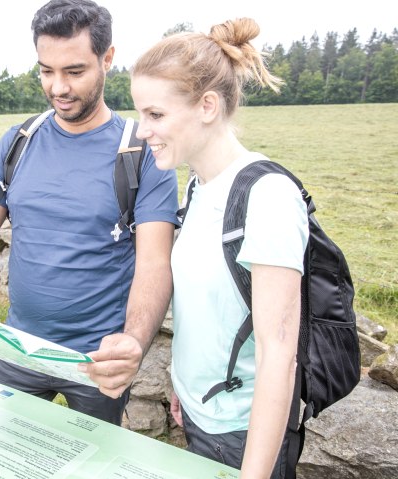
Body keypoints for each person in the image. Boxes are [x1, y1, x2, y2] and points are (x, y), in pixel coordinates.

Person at [0, 0, 179, 426]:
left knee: (92, 463)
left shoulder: (141, 152)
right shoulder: (19, 142)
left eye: (74, 71)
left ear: (108, 58)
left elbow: (154, 263)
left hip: (96, 359)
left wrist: (131, 342)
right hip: (18, 347)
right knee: (0, 453)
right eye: (46, 70)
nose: (58, 87)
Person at [128, 18, 309, 478]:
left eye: (155, 114)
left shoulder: (266, 197)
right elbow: (209, 307)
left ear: (207, 105)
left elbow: (278, 355)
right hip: (199, 413)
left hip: (244, 435)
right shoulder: (198, 188)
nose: (141, 130)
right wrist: (184, 388)